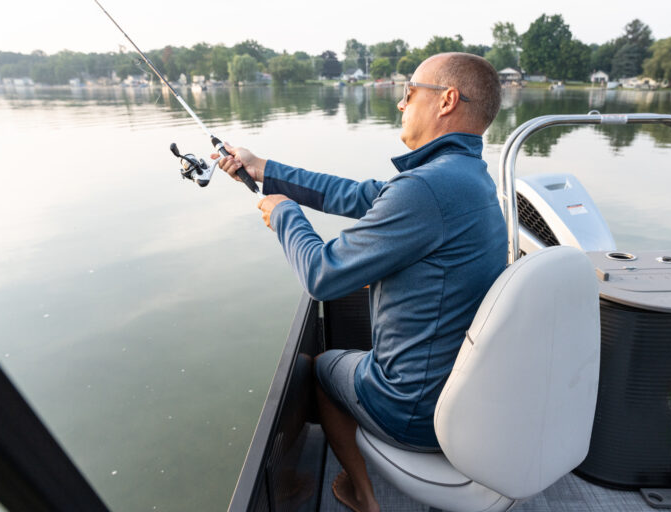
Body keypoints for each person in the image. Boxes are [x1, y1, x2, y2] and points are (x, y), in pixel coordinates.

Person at [213, 52, 507, 512]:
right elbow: (353, 194)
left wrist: (285, 214)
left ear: (447, 100)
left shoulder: (425, 189)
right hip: (466, 395)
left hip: (416, 411)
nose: (401, 104)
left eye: (409, 93)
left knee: (326, 367)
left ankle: (363, 495)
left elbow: (323, 276)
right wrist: (263, 168)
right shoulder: (466, 178)